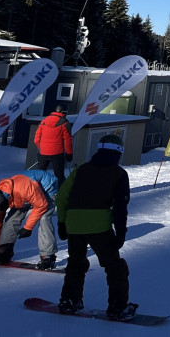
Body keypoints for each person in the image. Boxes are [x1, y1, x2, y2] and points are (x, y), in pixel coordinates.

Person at [57, 134, 137, 321]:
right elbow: (120, 206)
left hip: (74, 224)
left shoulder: (80, 170)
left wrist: (62, 222)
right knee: (114, 267)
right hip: (99, 226)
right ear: (119, 152)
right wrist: (121, 232)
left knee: (76, 264)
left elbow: (62, 197)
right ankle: (118, 307)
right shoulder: (119, 173)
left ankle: (69, 301)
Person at [0, 169, 58, 269]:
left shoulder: (23, 190)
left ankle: (48, 256)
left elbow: (41, 205)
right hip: (25, 195)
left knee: (44, 218)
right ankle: (5, 249)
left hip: (47, 189)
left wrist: (27, 228)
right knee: (12, 219)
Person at [34, 104, 74, 183]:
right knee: (59, 176)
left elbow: (36, 139)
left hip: (43, 153)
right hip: (57, 153)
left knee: (40, 175)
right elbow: (68, 141)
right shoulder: (65, 123)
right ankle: (60, 189)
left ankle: (37, 189)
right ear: (63, 112)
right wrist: (69, 154)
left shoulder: (44, 121)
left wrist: (41, 148)